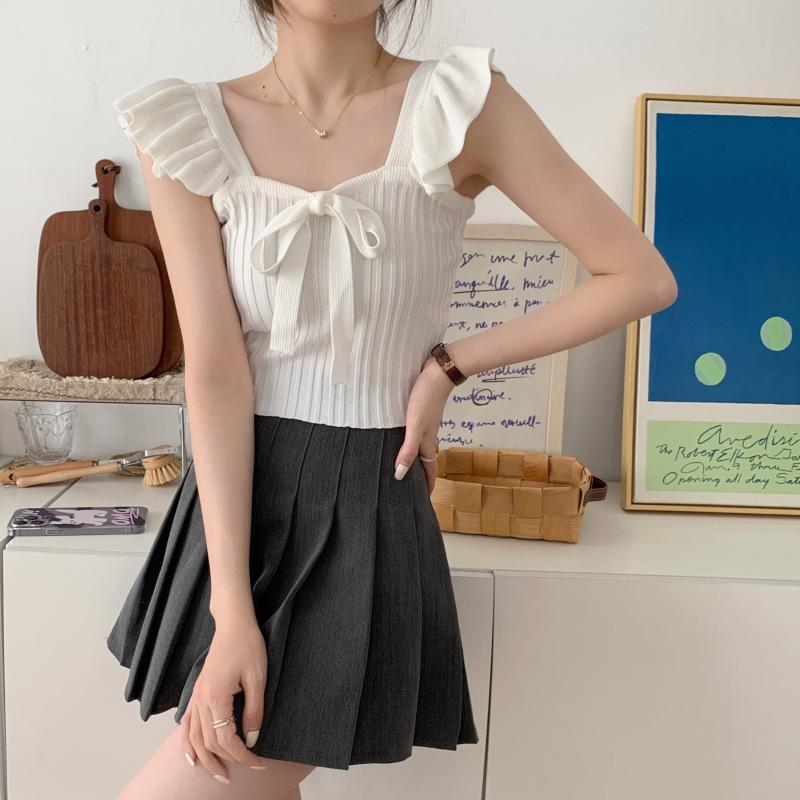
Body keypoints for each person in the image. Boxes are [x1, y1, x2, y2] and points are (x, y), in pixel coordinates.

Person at [106, 1, 678, 797]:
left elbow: (640, 277)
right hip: (235, 502)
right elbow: (216, 369)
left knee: (232, 776)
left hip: (365, 501)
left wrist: (449, 366)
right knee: (248, 780)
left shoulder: (466, 105)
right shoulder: (187, 124)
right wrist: (231, 610)